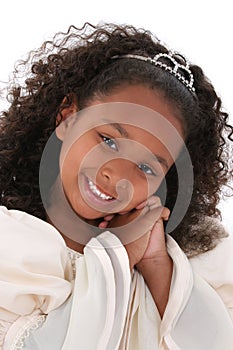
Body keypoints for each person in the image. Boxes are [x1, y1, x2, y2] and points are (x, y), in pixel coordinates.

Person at [0, 22, 232, 350]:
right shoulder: (11, 247)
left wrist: (156, 266)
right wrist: (115, 255)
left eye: (146, 166)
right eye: (108, 140)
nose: (119, 175)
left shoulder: (197, 265)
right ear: (67, 117)